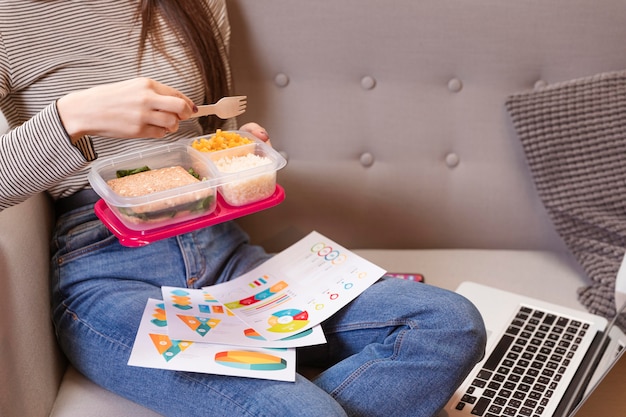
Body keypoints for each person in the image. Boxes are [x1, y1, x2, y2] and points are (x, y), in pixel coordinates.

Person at [0, 1, 486, 416]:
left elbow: (202, 128)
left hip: (228, 256)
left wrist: (234, 153)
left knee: (448, 323)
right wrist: (72, 117)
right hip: (111, 274)